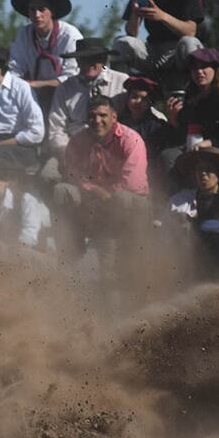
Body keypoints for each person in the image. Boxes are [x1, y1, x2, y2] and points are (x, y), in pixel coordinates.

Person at [53, 96, 149, 277]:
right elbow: (71, 173)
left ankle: (115, 268)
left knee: (119, 199)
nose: (97, 121)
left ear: (114, 117)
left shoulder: (131, 140)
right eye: (92, 116)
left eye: (103, 115)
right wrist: (94, 190)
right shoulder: (78, 139)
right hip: (94, 197)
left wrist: (106, 195)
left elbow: (132, 183)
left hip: (129, 203)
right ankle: (69, 251)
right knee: (62, 191)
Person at [112, 0, 204, 88]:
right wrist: (135, 16)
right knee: (121, 43)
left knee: (189, 43)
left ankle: (193, 93)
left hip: (177, 53)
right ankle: (118, 93)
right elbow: (131, 33)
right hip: (152, 51)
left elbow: (191, 31)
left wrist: (162, 16)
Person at [161, 48, 219, 191]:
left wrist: (211, 142)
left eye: (204, 67)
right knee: (169, 155)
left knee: (210, 155)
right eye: (194, 68)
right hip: (197, 146)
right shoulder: (190, 97)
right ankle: (179, 203)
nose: (199, 72)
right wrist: (174, 120)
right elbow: (183, 134)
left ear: (215, 69)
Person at [43, 38, 129, 181]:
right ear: (77, 62)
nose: (88, 64)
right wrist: (64, 151)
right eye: (83, 60)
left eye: (94, 59)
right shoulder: (65, 88)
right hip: (74, 149)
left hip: (113, 149)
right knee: (48, 174)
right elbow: (56, 128)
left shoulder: (122, 82)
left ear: (104, 60)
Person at [168, 147, 219, 279]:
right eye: (199, 169)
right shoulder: (179, 202)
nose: (203, 174)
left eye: (209, 169)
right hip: (188, 263)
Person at [8, 0, 83, 111]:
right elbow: (15, 69)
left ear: (52, 11)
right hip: (32, 96)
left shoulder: (70, 35)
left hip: (67, 97)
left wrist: (38, 85)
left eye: (42, 9)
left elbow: (72, 77)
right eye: (32, 9)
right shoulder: (24, 34)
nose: (37, 15)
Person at [0, 154, 52, 251]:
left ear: (6, 181)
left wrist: (8, 248)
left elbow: (30, 235)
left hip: (39, 251)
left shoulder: (25, 200)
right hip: (10, 250)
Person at [120, 76, 172, 191]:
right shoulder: (121, 123)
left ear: (150, 103)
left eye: (144, 99)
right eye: (134, 97)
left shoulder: (157, 126)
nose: (138, 102)